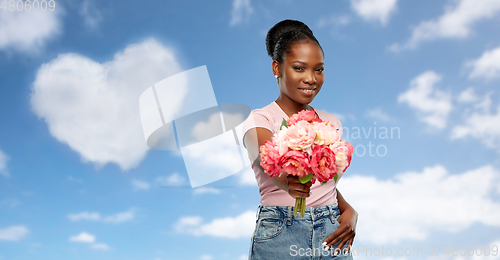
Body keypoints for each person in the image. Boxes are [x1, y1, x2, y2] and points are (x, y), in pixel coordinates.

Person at [241, 19, 358, 259]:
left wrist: (348, 211)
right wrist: (287, 182)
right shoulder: (260, 119)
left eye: (319, 69)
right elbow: (264, 156)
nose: (311, 78)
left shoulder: (330, 123)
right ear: (277, 68)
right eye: (299, 68)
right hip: (281, 230)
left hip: (331, 231)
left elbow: (326, 186)